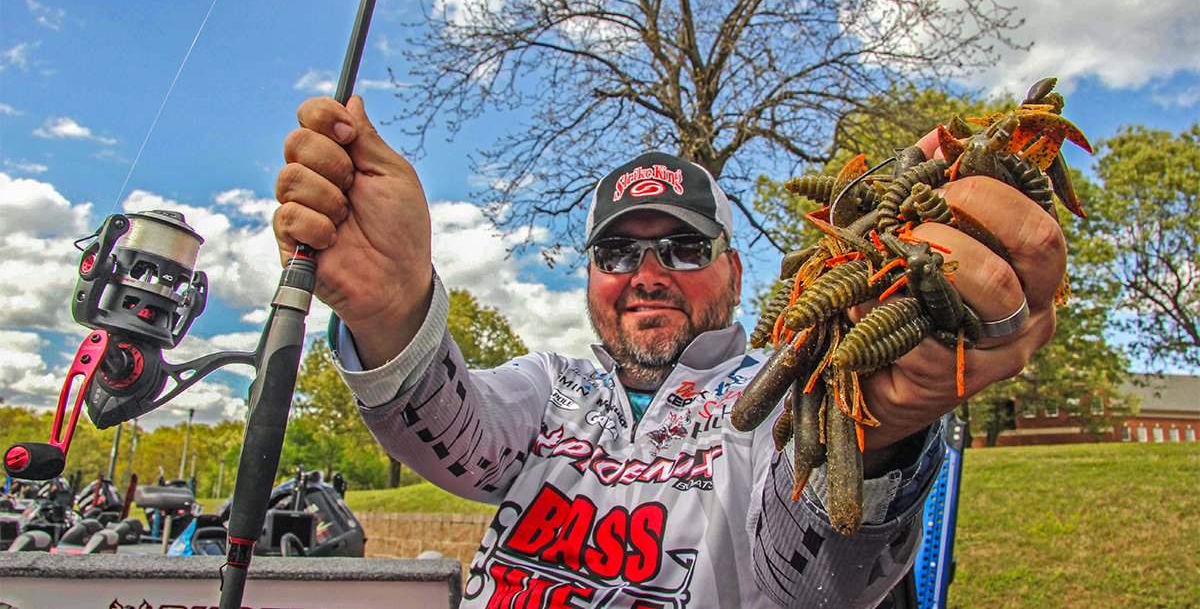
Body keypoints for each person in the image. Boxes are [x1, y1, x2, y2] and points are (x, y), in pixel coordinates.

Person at [273, 96, 1062, 607]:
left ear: (736, 268)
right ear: (589, 276)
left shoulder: (785, 385)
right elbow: (451, 434)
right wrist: (391, 305)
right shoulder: (553, 386)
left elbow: (815, 582)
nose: (647, 275)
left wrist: (875, 429)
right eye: (617, 253)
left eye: (684, 246)